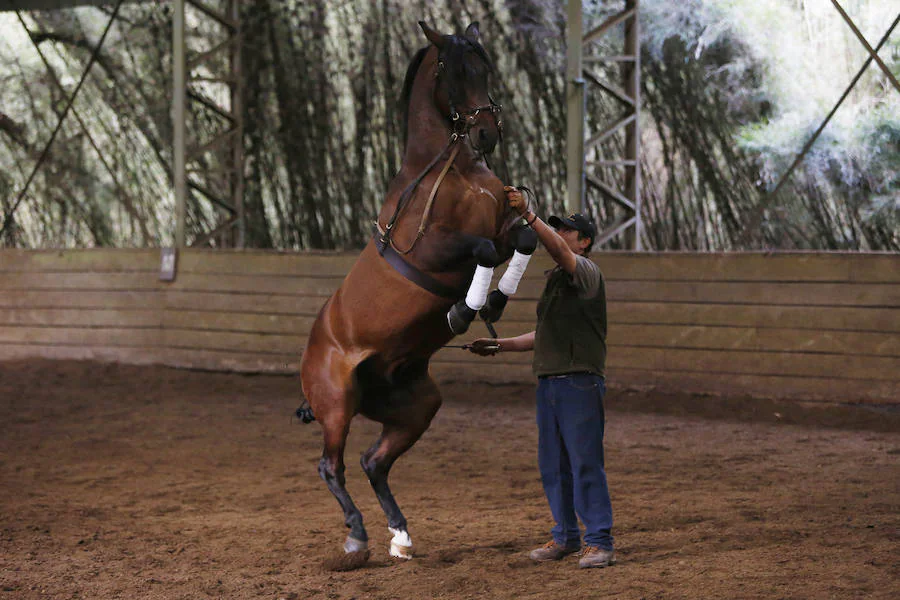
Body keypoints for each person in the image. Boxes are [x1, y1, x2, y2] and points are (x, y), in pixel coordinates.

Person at [468, 186, 615, 569]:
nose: (561, 234)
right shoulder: (558, 282)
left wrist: (530, 216)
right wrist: (500, 346)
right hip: (551, 382)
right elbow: (543, 336)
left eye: (567, 230)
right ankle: (566, 536)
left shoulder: (586, 273)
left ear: (584, 242)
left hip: (578, 382)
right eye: (559, 228)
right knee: (554, 464)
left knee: (584, 462)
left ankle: (599, 540)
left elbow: (558, 251)